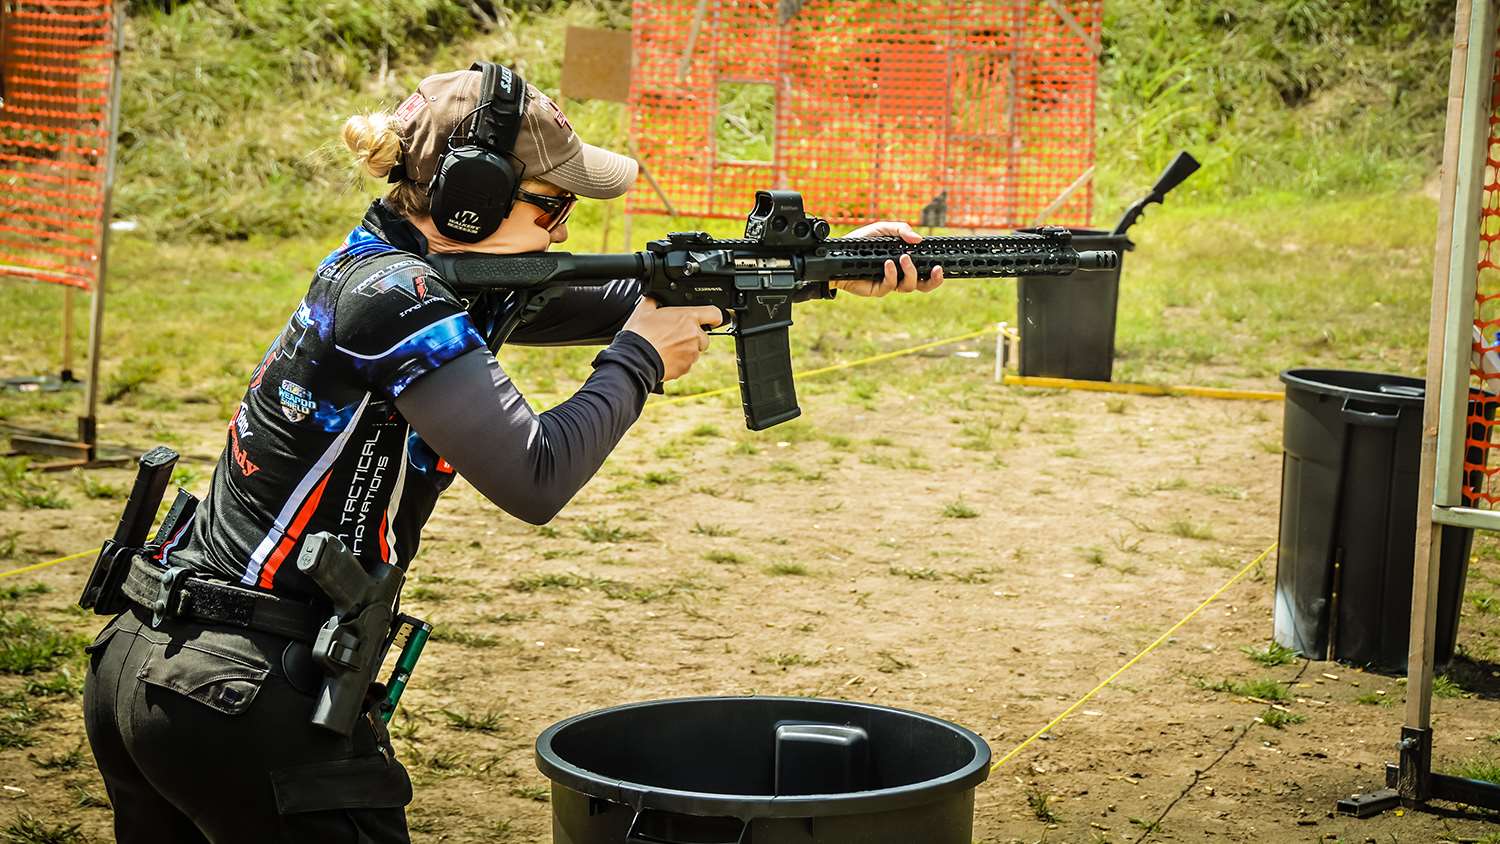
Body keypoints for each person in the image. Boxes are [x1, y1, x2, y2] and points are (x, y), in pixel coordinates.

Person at [81, 62, 945, 843]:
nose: (560, 229)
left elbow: (638, 289)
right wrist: (641, 360)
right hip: (235, 693)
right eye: (552, 206)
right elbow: (536, 477)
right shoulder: (401, 300)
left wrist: (818, 266)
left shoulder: (396, 267)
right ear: (472, 200)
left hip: (158, 663)